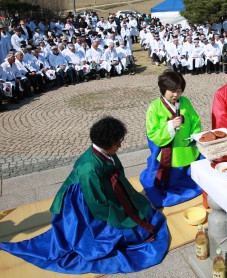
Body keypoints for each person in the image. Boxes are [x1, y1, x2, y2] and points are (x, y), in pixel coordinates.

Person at [0, 116, 168, 274]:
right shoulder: (89, 168)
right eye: (118, 143)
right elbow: (98, 204)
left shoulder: (107, 151)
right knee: (117, 229)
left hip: (99, 187)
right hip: (83, 199)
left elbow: (118, 174)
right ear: (106, 144)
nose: (120, 146)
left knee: (139, 209)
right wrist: (120, 217)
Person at [140, 70, 203, 208]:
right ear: (163, 89)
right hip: (168, 153)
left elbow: (195, 120)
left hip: (186, 147)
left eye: (179, 91)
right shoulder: (154, 107)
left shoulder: (185, 102)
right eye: (172, 91)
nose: (176, 95)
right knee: (168, 179)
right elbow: (153, 133)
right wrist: (170, 126)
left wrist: (194, 135)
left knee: (191, 171)